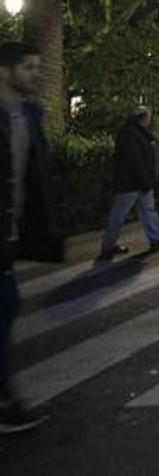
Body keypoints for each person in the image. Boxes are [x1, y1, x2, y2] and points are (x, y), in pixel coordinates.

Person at [1, 41, 62, 433]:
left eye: (38, 67)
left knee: (6, 305)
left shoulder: (29, 116)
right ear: (3, 71)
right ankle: (9, 401)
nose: (36, 74)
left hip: (9, 232)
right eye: (28, 67)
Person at [97, 106, 159, 261]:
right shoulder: (133, 135)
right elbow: (136, 161)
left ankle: (156, 238)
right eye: (148, 118)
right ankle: (109, 245)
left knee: (142, 211)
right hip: (133, 182)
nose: (150, 121)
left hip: (133, 181)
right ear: (142, 118)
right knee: (124, 213)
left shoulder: (131, 133)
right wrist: (146, 180)